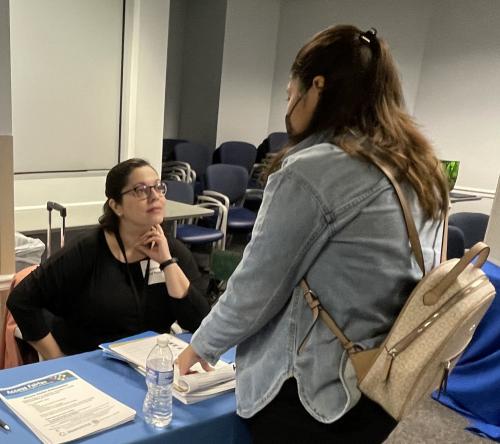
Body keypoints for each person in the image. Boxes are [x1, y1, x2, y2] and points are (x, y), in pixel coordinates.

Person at [177, 25, 448, 443]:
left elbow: (258, 285)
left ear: (316, 87)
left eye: (289, 94)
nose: (288, 105)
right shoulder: (419, 167)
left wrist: (201, 346)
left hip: (313, 393)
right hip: (382, 378)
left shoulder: (315, 170)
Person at [7, 158, 210, 359]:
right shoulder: (87, 250)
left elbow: (201, 324)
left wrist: (167, 263)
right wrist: (57, 358)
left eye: (158, 187)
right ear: (116, 206)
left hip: (149, 365)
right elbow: (21, 300)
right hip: (90, 363)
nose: (155, 196)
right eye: (141, 190)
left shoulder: (173, 251)